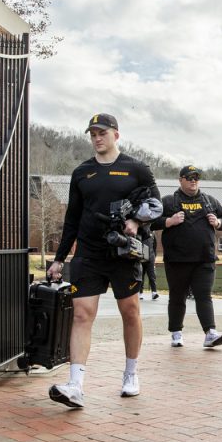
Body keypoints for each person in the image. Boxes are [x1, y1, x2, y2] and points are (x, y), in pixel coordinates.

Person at [46, 113, 162, 407]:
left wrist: (136, 220)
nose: (97, 138)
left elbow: (156, 205)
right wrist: (59, 258)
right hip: (89, 252)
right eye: (93, 134)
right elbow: (71, 218)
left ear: (116, 135)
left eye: (102, 133)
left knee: (130, 312)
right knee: (82, 313)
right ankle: (75, 385)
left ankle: (131, 374)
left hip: (123, 253)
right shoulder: (81, 173)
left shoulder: (137, 169)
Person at [152, 165, 222, 349]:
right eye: (188, 177)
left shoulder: (209, 201)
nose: (193, 180)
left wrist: (218, 222)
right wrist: (169, 221)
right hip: (177, 260)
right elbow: (150, 222)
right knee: (177, 297)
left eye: (196, 177)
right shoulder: (169, 201)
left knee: (204, 296)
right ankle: (176, 333)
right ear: (180, 180)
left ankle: (210, 333)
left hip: (204, 259)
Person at [142, 234, 159, 299]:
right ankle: (140, 293)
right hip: (141, 257)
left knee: (152, 275)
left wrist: (154, 256)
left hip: (150, 258)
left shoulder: (152, 234)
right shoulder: (140, 231)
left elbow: (155, 246)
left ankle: (154, 292)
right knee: (141, 276)